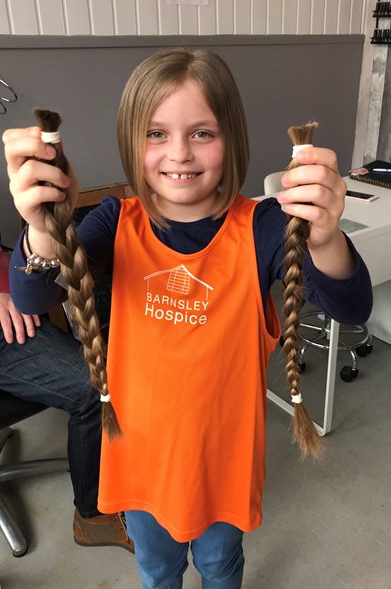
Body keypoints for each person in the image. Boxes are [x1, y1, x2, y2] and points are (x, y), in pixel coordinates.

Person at [3, 47, 372, 588]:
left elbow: (351, 305)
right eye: (156, 133)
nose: (180, 153)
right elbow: (33, 298)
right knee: (158, 568)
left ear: (232, 140)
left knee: (221, 563)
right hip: (141, 462)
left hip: (222, 465)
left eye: (203, 132)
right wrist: (39, 229)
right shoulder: (113, 222)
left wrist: (325, 236)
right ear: (132, 140)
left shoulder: (263, 227)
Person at [0, 245, 133, 553]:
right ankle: (93, 518)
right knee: (94, 388)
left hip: (10, 304)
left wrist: (10, 287)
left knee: (111, 372)